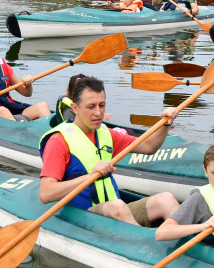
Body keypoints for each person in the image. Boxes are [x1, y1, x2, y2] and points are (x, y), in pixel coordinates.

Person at [38, 75, 179, 226]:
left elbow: (148, 146)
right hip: (83, 216)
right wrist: (90, 176)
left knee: (166, 199)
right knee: (117, 206)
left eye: (102, 105)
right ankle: (148, 240)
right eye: (91, 107)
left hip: (116, 211)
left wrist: (166, 123)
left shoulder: (105, 133)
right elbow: (46, 193)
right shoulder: (58, 141)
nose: (98, 113)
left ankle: (188, 237)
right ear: (75, 108)